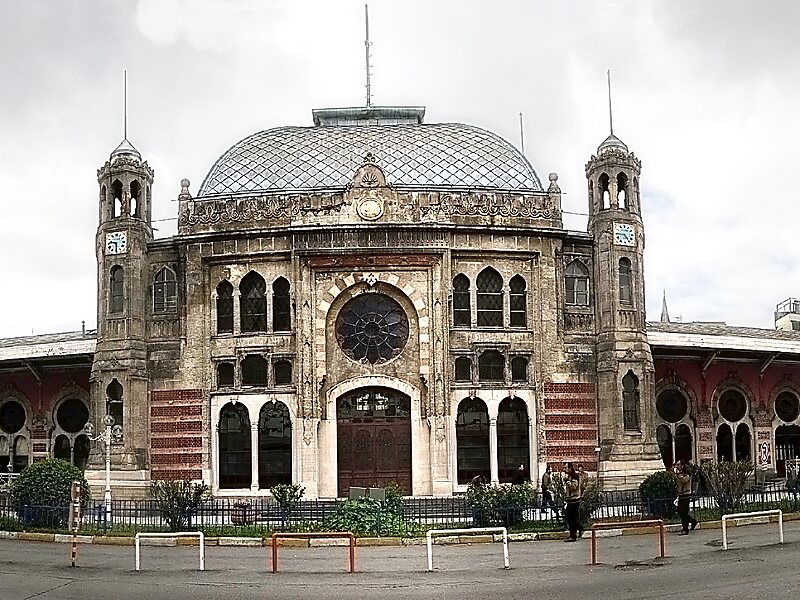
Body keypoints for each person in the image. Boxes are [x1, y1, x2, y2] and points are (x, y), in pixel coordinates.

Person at [674, 460, 697, 535]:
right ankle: (693, 521)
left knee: (683, 512)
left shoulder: (687, 473)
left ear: (682, 465)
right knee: (680, 512)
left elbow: (684, 480)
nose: (677, 466)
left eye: (678, 465)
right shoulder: (678, 474)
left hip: (686, 494)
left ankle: (685, 529)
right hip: (680, 494)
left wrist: (678, 475)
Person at [564, 463, 582, 542]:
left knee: (571, 518)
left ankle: (573, 535)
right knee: (568, 517)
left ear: (570, 468)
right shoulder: (569, 476)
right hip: (570, 500)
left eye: (566, 468)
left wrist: (567, 481)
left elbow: (574, 487)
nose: (564, 470)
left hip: (574, 500)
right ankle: (574, 532)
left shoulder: (575, 476)